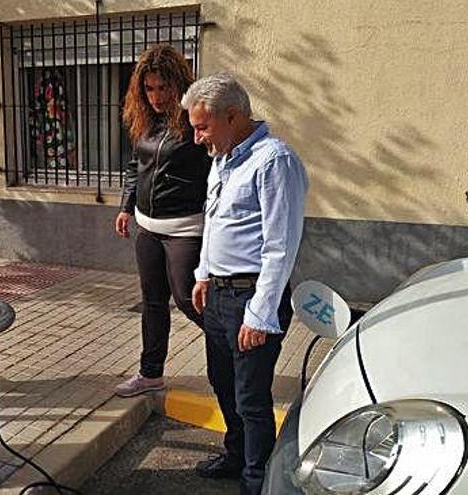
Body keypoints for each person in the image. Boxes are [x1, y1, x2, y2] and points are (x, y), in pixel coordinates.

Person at [182, 73, 308, 495]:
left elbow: (280, 246)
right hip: (218, 295)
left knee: (252, 399)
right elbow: (215, 222)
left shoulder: (274, 161)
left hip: (250, 300)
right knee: (223, 384)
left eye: (202, 127)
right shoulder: (224, 157)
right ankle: (236, 456)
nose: (197, 137)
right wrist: (203, 275)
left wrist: (260, 312)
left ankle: (257, 481)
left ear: (232, 116)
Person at [113, 45, 211, 397]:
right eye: (149, 88)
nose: (156, 96)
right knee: (153, 301)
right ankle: (150, 373)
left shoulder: (194, 123)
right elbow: (135, 167)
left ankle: (233, 352)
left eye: (163, 88)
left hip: (185, 228)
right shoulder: (145, 122)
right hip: (147, 229)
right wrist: (126, 206)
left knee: (187, 298)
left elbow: (217, 171)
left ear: (178, 85)